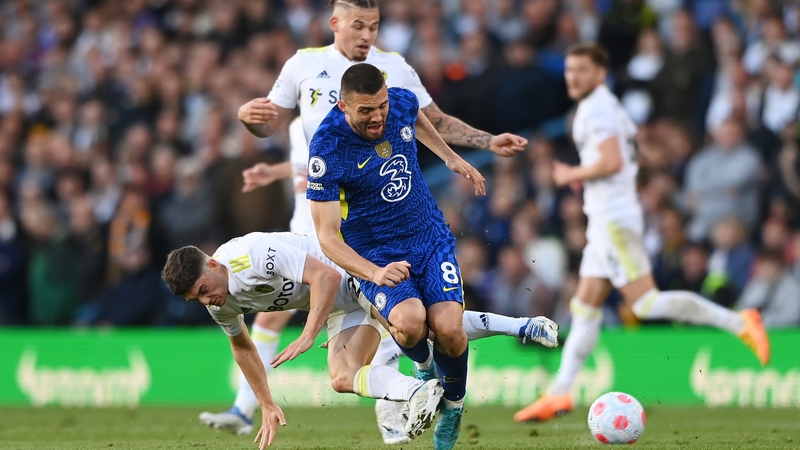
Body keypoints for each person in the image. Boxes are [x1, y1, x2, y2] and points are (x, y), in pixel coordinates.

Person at [213, 0, 529, 444]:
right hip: (325, 217)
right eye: (358, 25)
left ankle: (405, 409)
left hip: (397, 215)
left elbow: (428, 120)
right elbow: (269, 123)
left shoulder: (394, 71)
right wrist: (248, 121)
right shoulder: (305, 65)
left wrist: (482, 143)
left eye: (375, 26)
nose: (367, 34)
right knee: (313, 317)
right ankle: (251, 406)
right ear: (335, 23)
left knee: (415, 324)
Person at [513, 44, 771, 423]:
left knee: (645, 303)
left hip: (614, 221)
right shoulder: (612, 107)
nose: (573, 78)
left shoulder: (595, 109)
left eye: (582, 70)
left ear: (600, 74)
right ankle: (559, 393)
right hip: (608, 219)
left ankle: (740, 322)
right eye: (569, 70)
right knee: (584, 309)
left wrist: (572, 174)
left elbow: (612, 160)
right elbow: (636, 154)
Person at [307, 62, 483, 450]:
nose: (378, 117)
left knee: (451, 332)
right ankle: (423, 370)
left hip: (427, 236)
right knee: (409, 321)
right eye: (365, 111)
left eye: (380, 106)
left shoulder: (399, 101)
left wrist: (449, 155)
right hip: (376, 250)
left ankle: (452, 409)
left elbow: (415, 115)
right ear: (343, 106)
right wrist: (374, 271)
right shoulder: (327, 148)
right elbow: (327, 237)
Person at [162, 232, 450, 448]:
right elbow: (242, 346)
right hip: (340, 304)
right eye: (196, 299)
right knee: (341, 377)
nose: (206, 300)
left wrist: (308, 334)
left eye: (203, 289)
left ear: (212, 264)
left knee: (425, 330)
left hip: (356, 271)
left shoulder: (251, 256)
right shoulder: (217, 304)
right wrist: (265, 402)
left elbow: (326, 276)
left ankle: (463, 361)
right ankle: (418, 391)